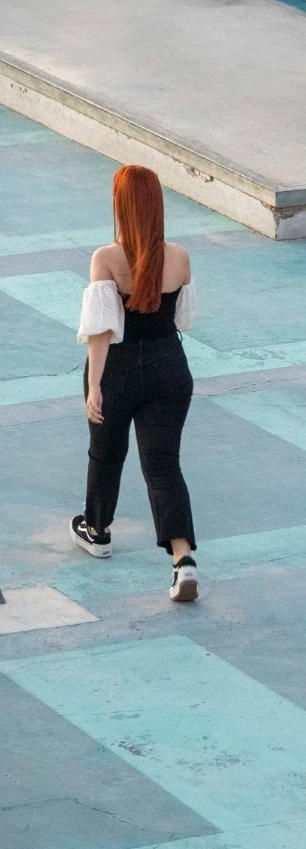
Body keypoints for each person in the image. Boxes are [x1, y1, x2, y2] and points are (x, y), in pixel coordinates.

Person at [72, 166, 199, 600]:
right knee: (163, 466)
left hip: (120, 369)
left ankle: (98, 529)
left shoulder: (106, 259)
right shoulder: (179, 257)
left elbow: (102, 332)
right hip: (170, 367)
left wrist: (95, 385)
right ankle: (182, 559)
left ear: (121, 207)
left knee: (106, 453)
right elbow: (183, 318)